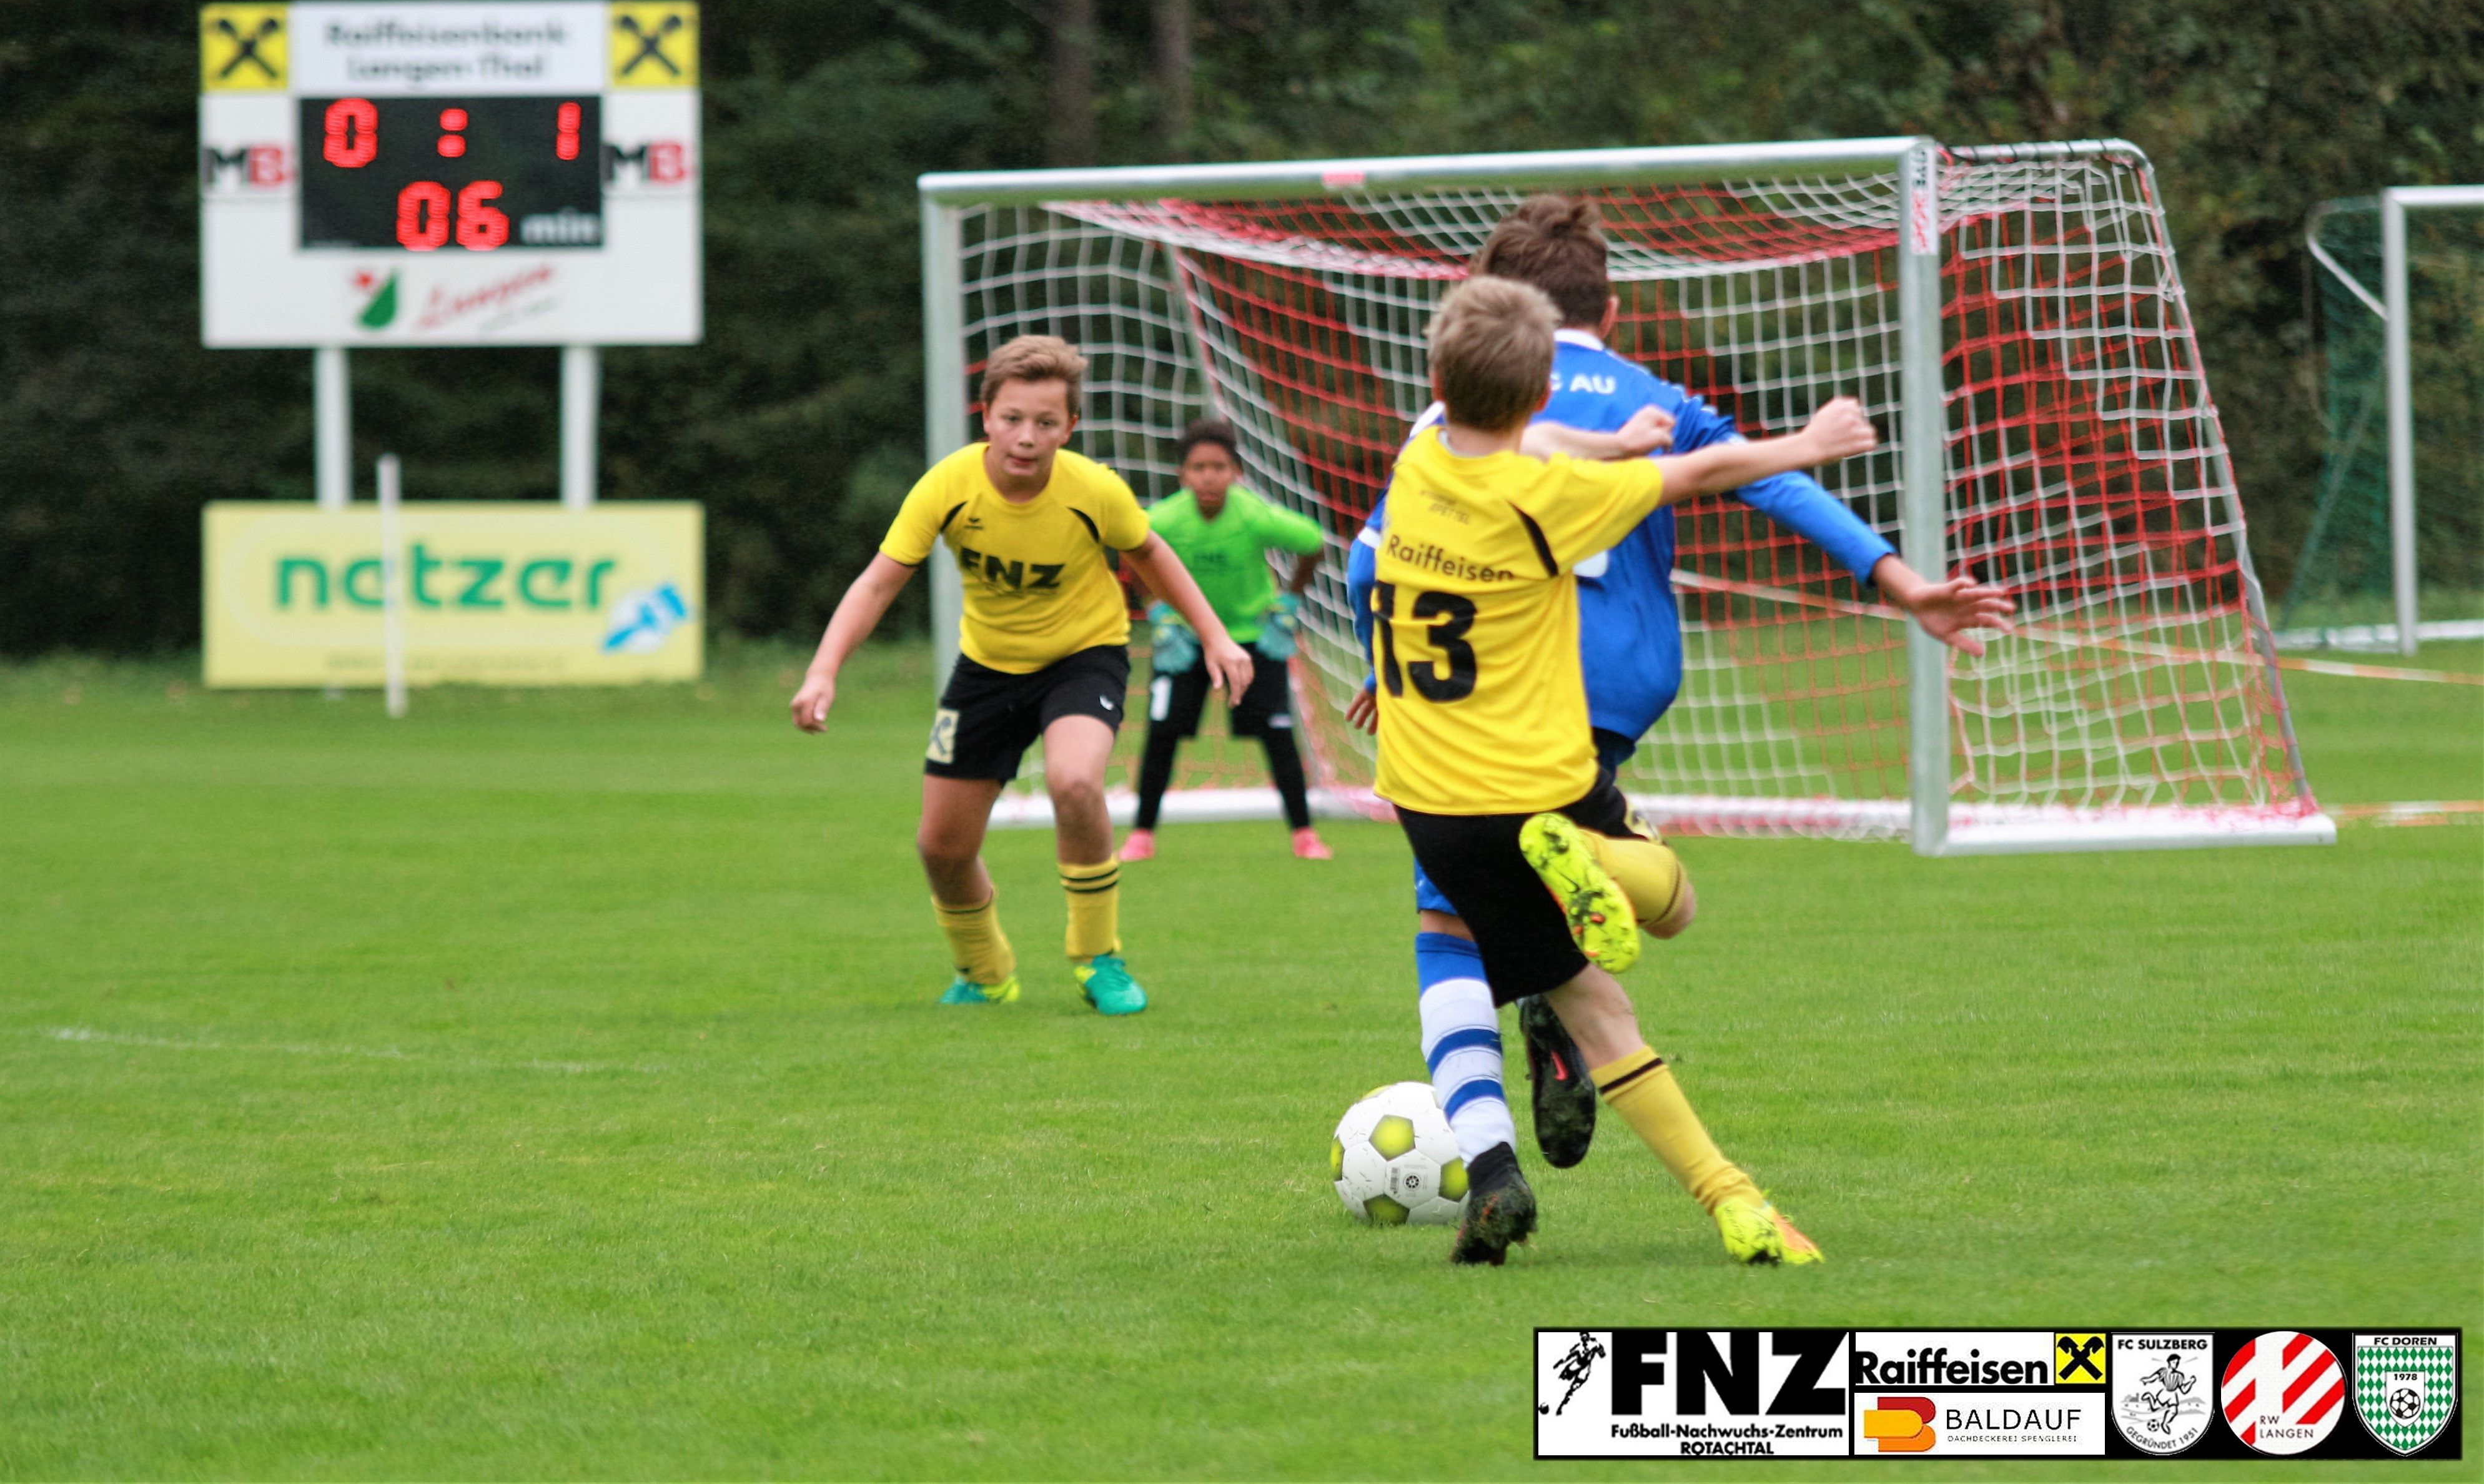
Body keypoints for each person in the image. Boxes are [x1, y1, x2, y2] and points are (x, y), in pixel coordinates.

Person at [1348, 195, 2012, 1262]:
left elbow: (1369, 554)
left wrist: (1385, 659)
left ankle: (1570, 1171)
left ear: (1440, 373)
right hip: (1563, 738)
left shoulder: (1422, 453)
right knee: (1664, 910)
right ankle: (1599, 868)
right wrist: (1814, 451)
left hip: (1436, 763)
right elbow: (1716, 474)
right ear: (1600, 317)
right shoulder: (1591, 453)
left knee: (1478, 948)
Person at [790, 334, 1252, 1016]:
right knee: (941, 847)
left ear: (1070, 427)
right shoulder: (948, 485)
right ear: (987, 417)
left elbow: (1150, 554)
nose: (1027, 437)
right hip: (987, 669)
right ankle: (985, 972)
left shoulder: (1094, 490)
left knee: (1074, 780)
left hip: (1083, 657)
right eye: (1012, 418)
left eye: (1045, 422)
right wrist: (823, 671)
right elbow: (879, 582)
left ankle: (1097, 957)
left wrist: (1215, 635)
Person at [1119, 417, 1332, 863]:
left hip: (1252, 641)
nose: (1209, 477)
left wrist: (1288, 605)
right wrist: (1158, 613)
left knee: (1277, 735)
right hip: (1185, 641)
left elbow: (1313, 542)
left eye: (1218, 467)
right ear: (1183, 474)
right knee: (1162, 733)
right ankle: (1140, 836)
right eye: (1198, 467)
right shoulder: (1166, 519)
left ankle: (1304, 835)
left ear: (1236, 472)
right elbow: (1129, 551)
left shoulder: (1252, 516)